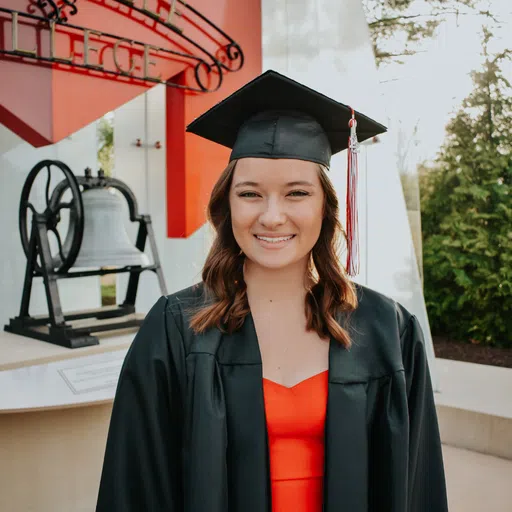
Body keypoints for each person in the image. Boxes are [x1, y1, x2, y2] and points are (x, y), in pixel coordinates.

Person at [96, 71, 448, 512]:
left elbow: (418, 487)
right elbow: (134, 487)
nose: (272, 216)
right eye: (251, 194)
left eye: (297, 193)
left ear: (325, 206)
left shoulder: (388, 331)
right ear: (228, 204)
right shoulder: (175, 329)